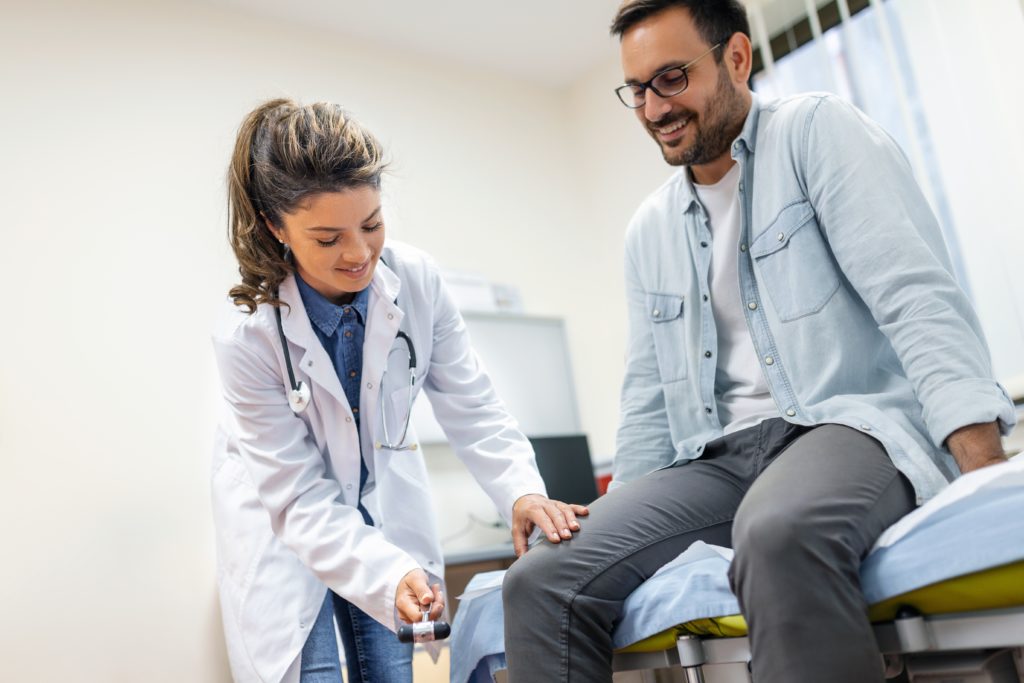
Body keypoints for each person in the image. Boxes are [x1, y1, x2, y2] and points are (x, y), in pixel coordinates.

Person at [502, 2, 1015, 682]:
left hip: (842, 425)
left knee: (776, 532)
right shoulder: (649, 230)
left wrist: (983, 478)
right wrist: (618, 524)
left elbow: (915, 295)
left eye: (672, 78)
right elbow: (648, 402)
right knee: (538, 580)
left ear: (737, 58)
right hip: (714, 460)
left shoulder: (818, 133)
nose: (654, 108)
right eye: (637, 90)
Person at [211, 98, 588, 683]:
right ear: (274, 225)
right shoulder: (250, 339)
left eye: (371, 224)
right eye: (328, 237)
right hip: (285, 533)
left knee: (396, 672)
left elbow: (471, 401)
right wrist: (384, 574)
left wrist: (519, 490)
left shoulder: (415, 282)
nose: (359, 254)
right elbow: (300, 500)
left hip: (382, 511)